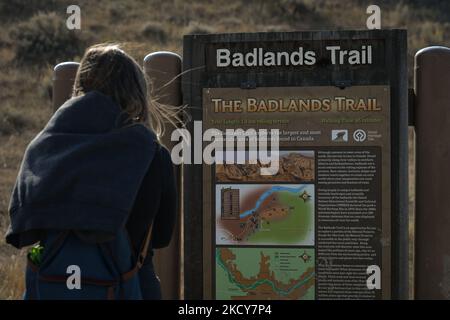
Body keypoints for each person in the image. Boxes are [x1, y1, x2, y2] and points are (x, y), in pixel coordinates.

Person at [5, 44, 178, 300]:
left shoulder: (44, 147)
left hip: (52, 286)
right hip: (133, 285)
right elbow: (163, 236)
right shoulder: (151, 153)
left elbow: (23, 227)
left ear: (80, 85)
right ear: (136, 92)